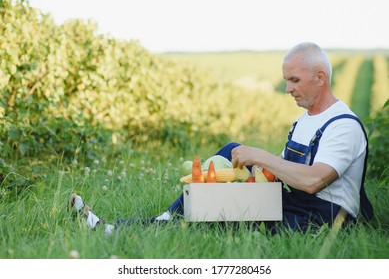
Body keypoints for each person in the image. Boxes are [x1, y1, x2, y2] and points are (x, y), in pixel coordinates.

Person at [69, 42, 373, 235]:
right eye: (286, 81)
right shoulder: (305, 119)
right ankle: (164, 219)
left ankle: (116, 230)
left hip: (323, 219)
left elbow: (312, 182)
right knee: (232, 153)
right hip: (294, 201)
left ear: (320, 77)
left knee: (224, 218)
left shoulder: (342, 125)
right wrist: (248, 174)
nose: (288, 89)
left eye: (294, 80)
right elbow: (285, 170)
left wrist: (259, 157)